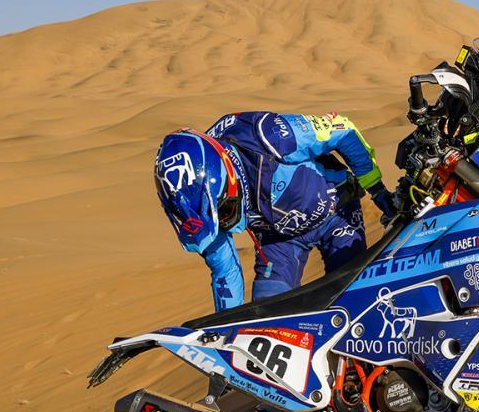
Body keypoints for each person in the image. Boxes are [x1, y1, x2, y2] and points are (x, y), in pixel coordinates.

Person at [153, 111, 396, 312]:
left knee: (355, 302)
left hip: (337, 214)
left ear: (230, 178)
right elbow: (225, 272)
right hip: (278, 240)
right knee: (267, 319)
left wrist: (376, 188)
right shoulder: (199, 210)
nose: (227, 224)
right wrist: (226, 333)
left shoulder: (268, 134)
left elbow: (343, 130)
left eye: (225, 211)